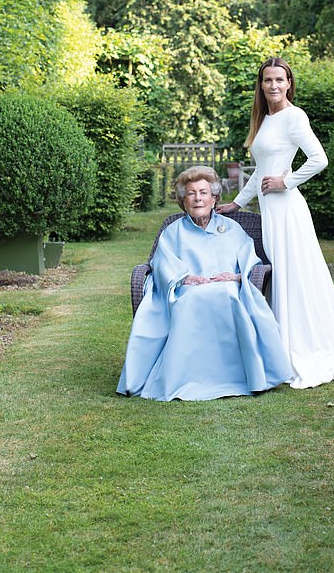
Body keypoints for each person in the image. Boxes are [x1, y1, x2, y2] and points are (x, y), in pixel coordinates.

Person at [218, 57, 334, 388]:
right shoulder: (265, 119)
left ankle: (300, 350)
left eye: (280, 80)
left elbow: (319, 159)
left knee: (294, 277)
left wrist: (287, 182)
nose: (274, 85)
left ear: (289, 83)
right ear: (261, 85)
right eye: (268, 80)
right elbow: (261, 171)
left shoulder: (294, 116)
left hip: (288, 211)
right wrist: (238, 202)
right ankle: (279, 346)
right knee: (282, 276)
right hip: (271, 213)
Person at [117, 166, 293, 401]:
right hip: (186, 290)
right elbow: (162, 262)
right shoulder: (173, 230)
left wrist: (238, 277)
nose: (198, 198)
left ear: (214, 198)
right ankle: (182, 378)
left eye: (203, 192)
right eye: (191, 193)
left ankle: (240, 376)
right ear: (183, 200)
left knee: (230, 296)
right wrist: (184, 278)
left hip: (228, 287)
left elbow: (252, 259)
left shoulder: (232, 228)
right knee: (191, 299)